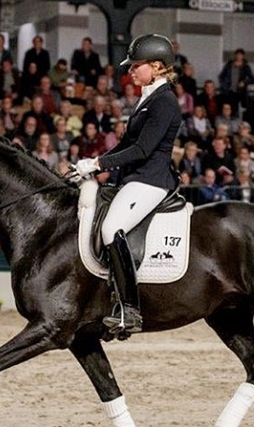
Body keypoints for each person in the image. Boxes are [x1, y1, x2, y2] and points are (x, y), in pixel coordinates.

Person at [73, 34, 181, 336]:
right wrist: (93, 166)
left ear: (157, 67)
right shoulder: (148, 98)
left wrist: (97, 165)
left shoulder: (165, 101)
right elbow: (123, 145)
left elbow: (143, 149)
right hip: (134, 178)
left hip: (151, 180)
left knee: (110, 229)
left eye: (136, 66)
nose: (130, 71)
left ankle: (129, 310)